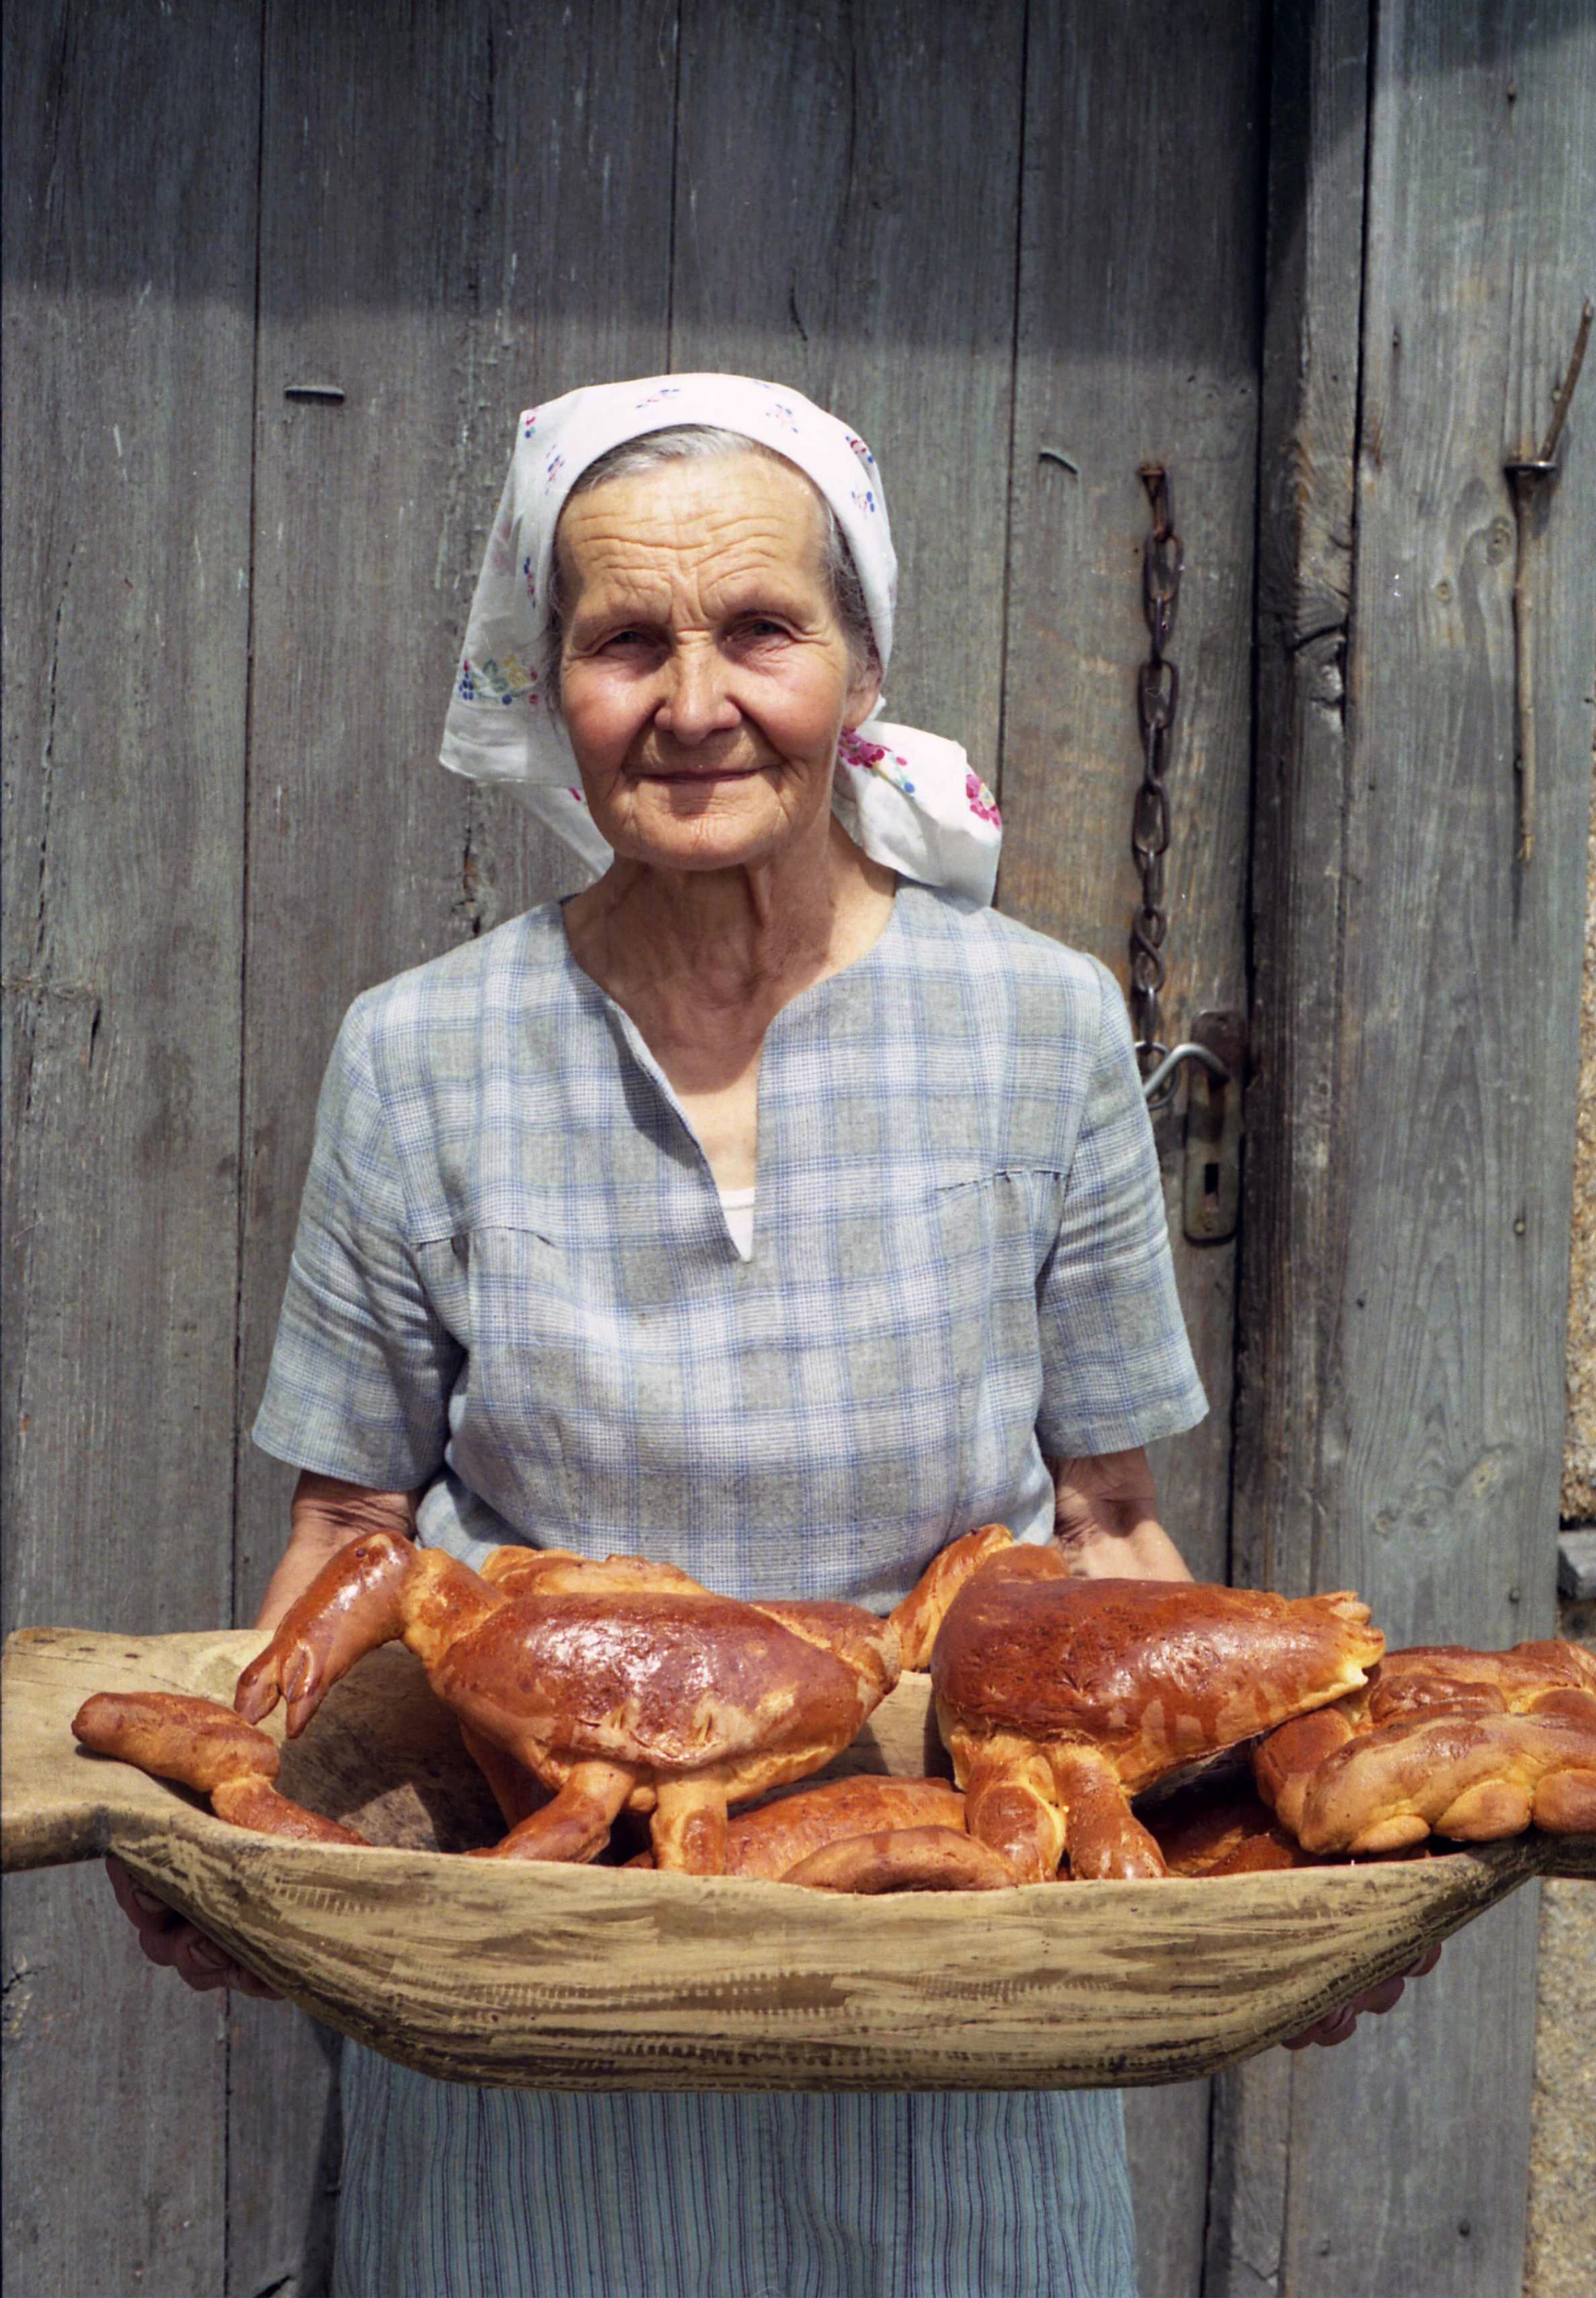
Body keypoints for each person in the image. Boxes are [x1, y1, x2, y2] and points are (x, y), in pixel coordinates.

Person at [109, 374, 1428, 2296]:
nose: (695, 699)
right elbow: (350, 1535)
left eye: (760, 631)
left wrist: (1249, 1882)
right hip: (538, 2002)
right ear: (544, 678)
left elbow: (1112, 1533)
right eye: (625, 639)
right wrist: (256, 1816)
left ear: (860, 666)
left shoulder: (1041, 1029)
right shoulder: (422, 1055)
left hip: (960, 1979)